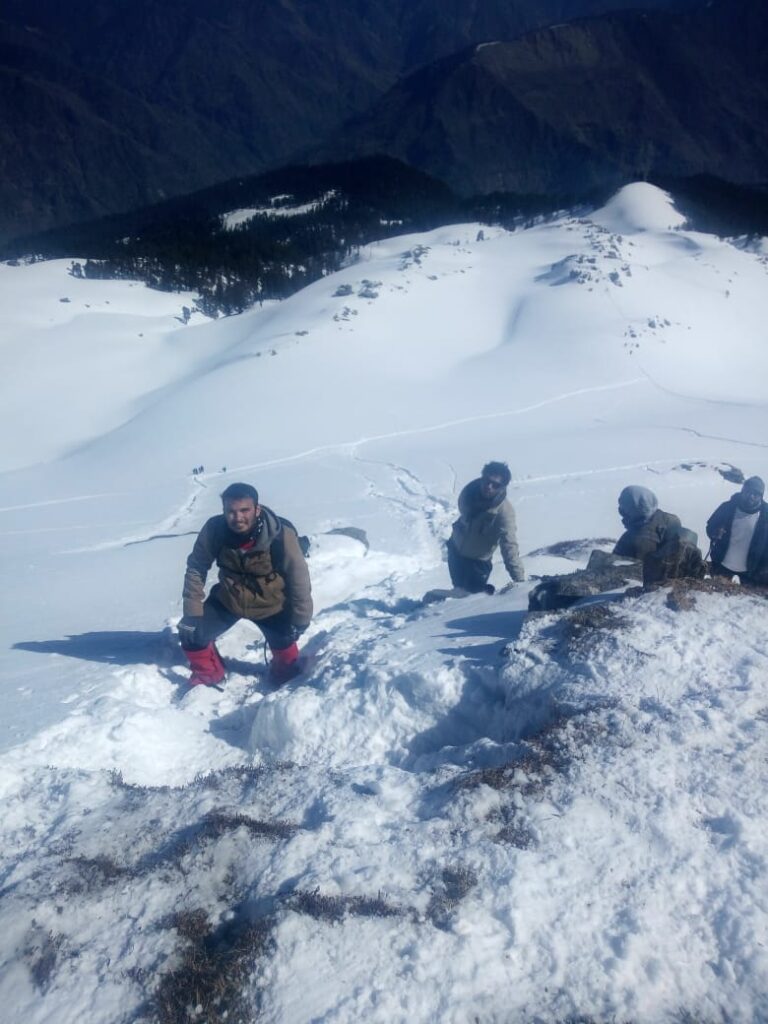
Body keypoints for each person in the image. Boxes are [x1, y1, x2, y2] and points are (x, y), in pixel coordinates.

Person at [178, 482, 312, 686]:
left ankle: (282, 674)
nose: (237, 517)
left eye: (244, 510)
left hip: (271, 604)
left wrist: (300, 618)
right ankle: (209, 673)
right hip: (229, 599)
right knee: (190, 633)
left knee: (287, 655)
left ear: (257, 509)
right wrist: (192, 613)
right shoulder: (214, 530)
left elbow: (298, 575)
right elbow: (197, 567)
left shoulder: (280, 534)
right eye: (230, 511)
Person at [447, 461, 525, 593]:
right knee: (458, 590)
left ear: (502, 487)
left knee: (471, 598)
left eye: (495, 485)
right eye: (487, 481)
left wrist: (520, 580)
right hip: (455, 551)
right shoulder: (470, 494)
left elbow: (509, 545)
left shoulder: (504, 513)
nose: (489, 487)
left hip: (477, 564)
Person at [706, 476, 768, 585]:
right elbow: (710, 526)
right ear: (743, 490)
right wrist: (715, 532)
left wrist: (763, 568)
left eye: (756, 494)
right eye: (748, 491)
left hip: (751, 572)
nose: (751, 496)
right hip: (721, 565)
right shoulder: (727, 507)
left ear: (761, 496)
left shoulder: (765, 516)